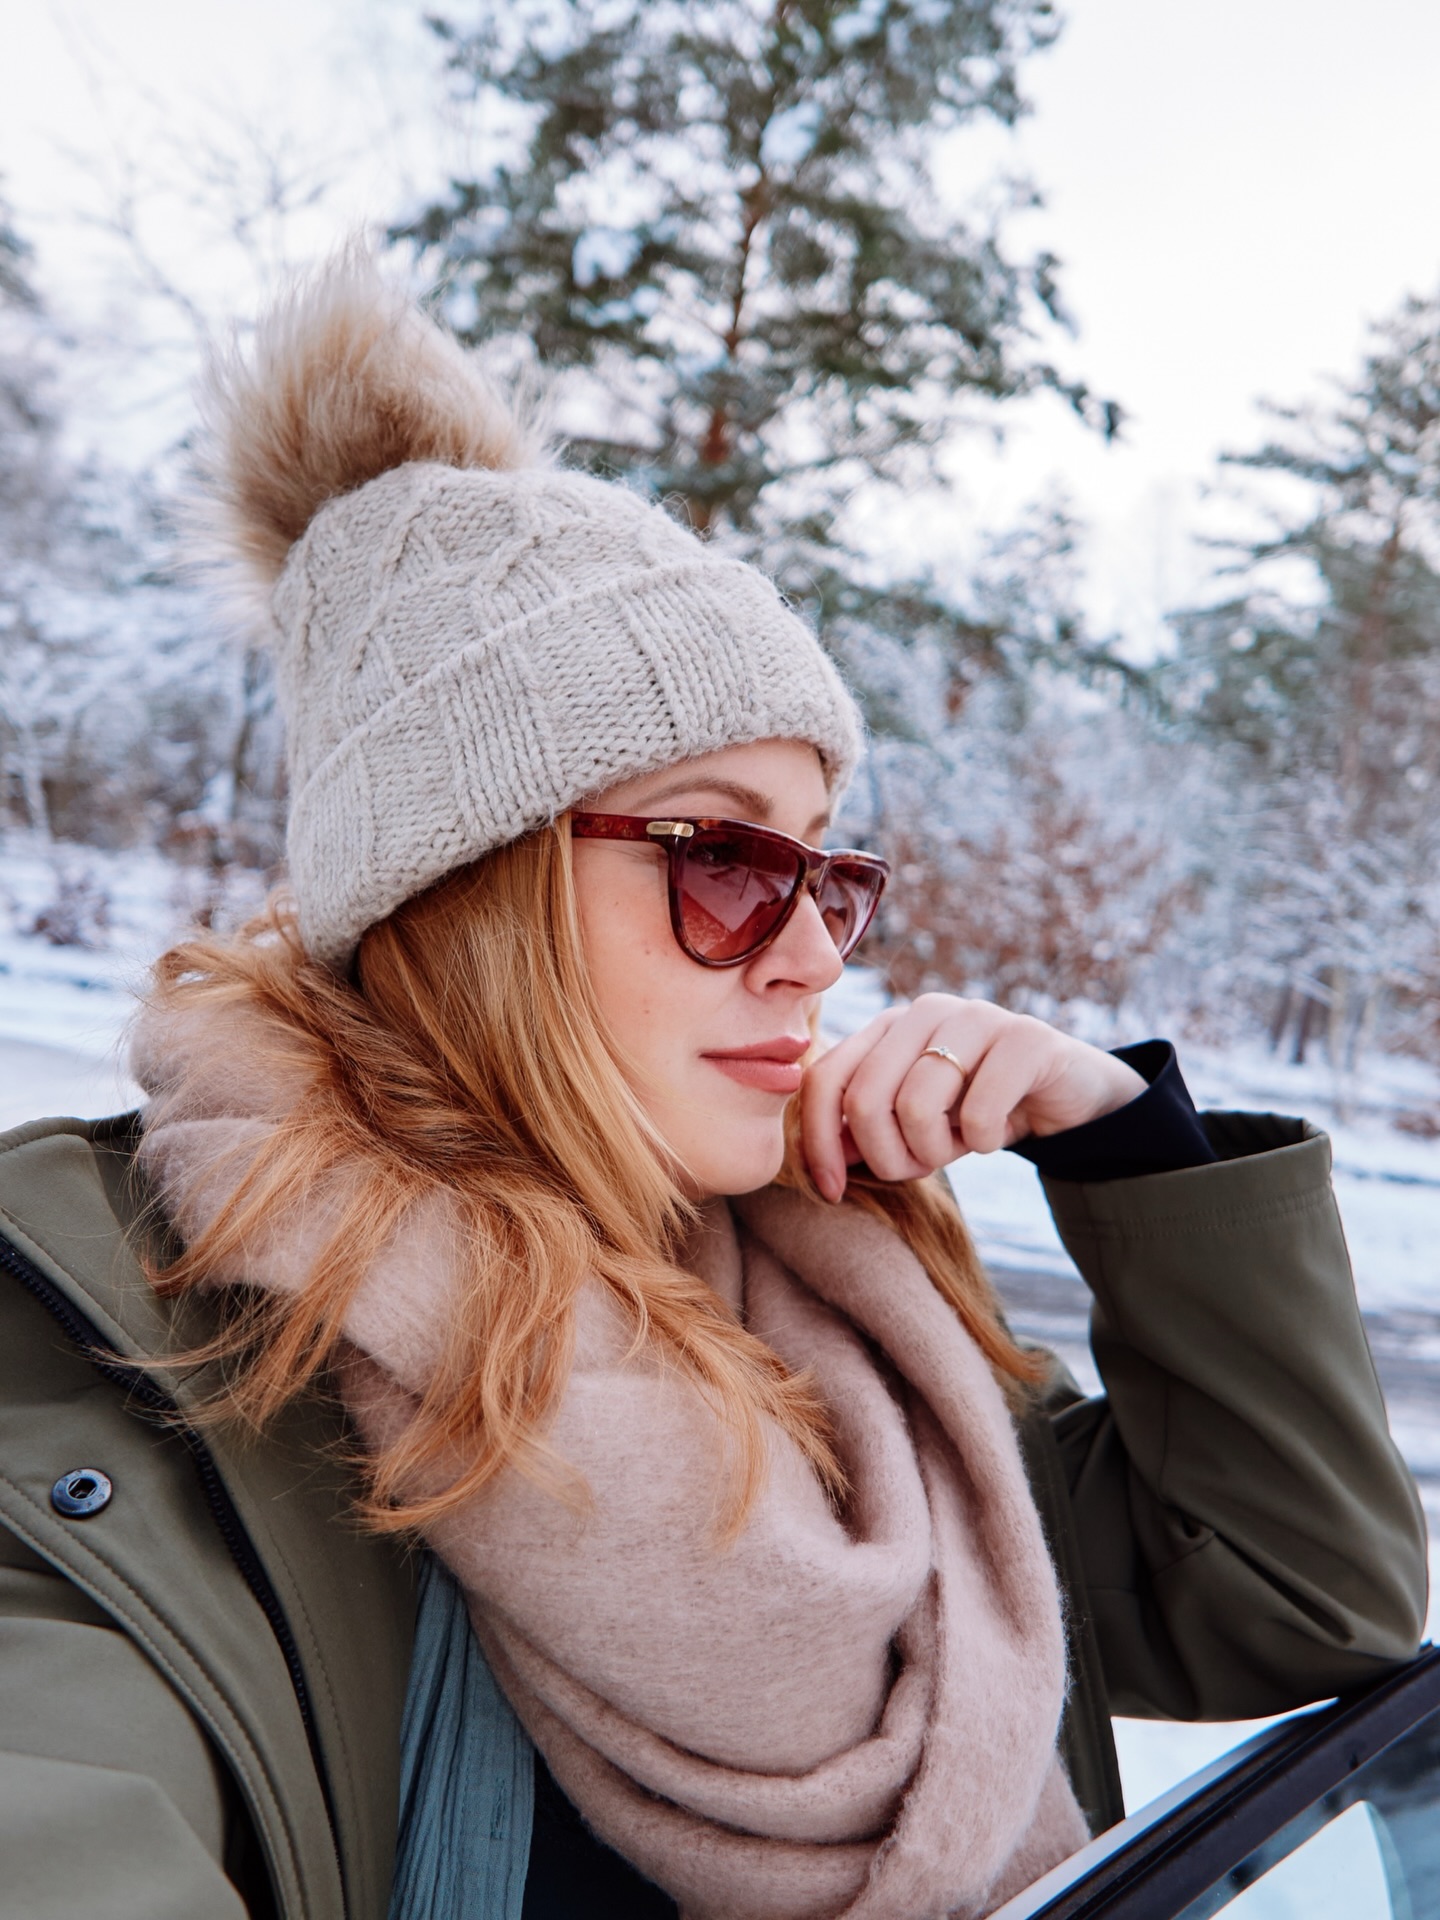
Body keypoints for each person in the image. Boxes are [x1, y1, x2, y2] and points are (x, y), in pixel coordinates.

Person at [0, 258, 1425, 1920]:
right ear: (459, 891)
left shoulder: (829, 1326)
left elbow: (1301, 1600)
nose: (814, 958)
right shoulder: (120, 1367)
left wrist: (1131, 1148)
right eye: (723, 858)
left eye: (829, 879)